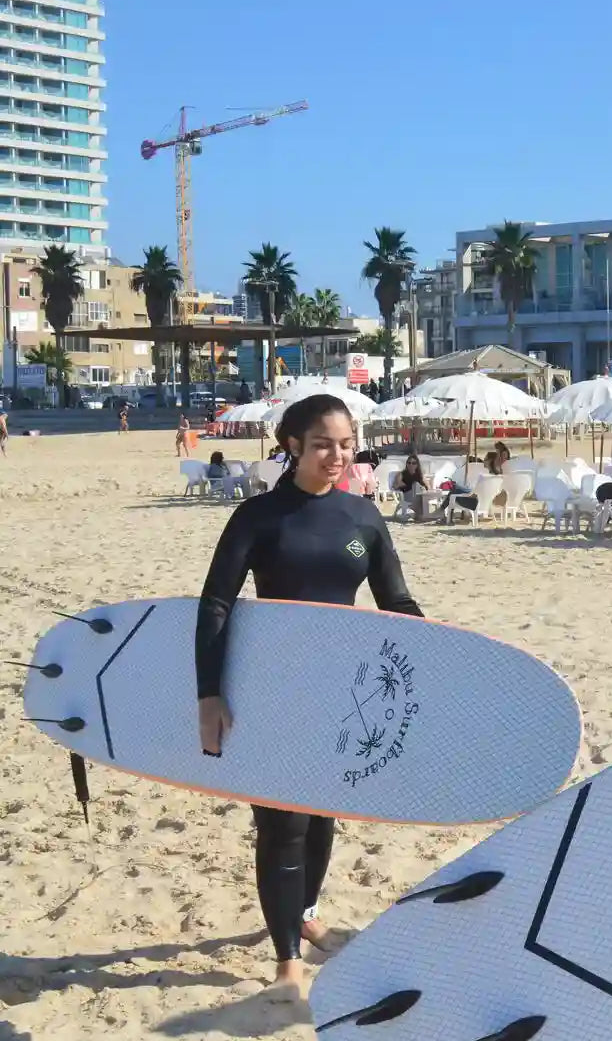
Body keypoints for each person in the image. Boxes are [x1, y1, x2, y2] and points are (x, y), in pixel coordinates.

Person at [194, 394, 423, 997]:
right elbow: (216, 603)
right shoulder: (259, 516)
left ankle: (306, 912)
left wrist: (441, 652)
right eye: (324, 444)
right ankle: (287, 959)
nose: (338, 455)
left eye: (346, 444)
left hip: (341, 693)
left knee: (322, 812)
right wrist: (209, 695)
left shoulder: (363, 517)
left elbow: (395, 603)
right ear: (293, 445)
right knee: (282, 820)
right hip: (271, 689)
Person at [394, 454, 430, 522]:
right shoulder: (402, 474)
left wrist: (423, 487)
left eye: (413, 463)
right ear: (406, 464)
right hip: (407, 496)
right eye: (409, 463)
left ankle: (420, 514)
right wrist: (404, 484)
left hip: (419, 496)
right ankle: (419, 514)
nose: (411, 465)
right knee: (416, 485)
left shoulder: (420, 475)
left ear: (417, 465)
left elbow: (428, 487)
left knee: (418, 487)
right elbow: (395, 486)